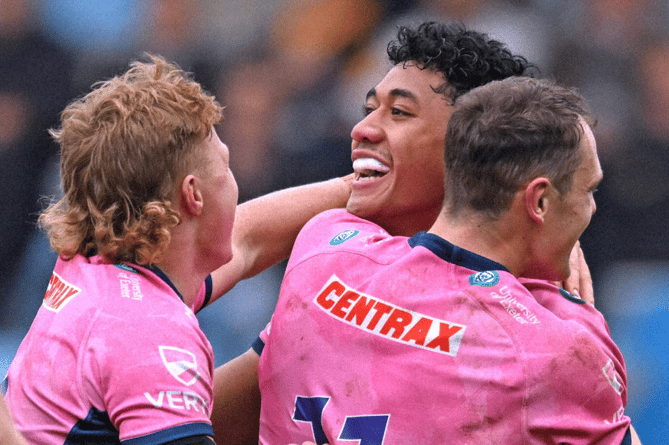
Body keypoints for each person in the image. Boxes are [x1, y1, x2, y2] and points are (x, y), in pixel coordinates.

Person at [210, 22, 592, 444]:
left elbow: (194, 422)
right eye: (369, 109)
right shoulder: (553, 337)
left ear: (468, 147)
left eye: (399, 113)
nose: (363, 129)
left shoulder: (328, 253)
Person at [258, 76, 639, 444]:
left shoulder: (324, 245)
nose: (590, 208)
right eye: (588, 190)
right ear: (539, 201)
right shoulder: (557, 348)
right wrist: (577, 319)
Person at [3, 54, 352, 445]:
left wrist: (353, 188)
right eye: (225, 167)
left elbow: (249, 237)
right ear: (193, 194)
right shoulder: (150, 333)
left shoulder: (95, 264)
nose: (233, 183)